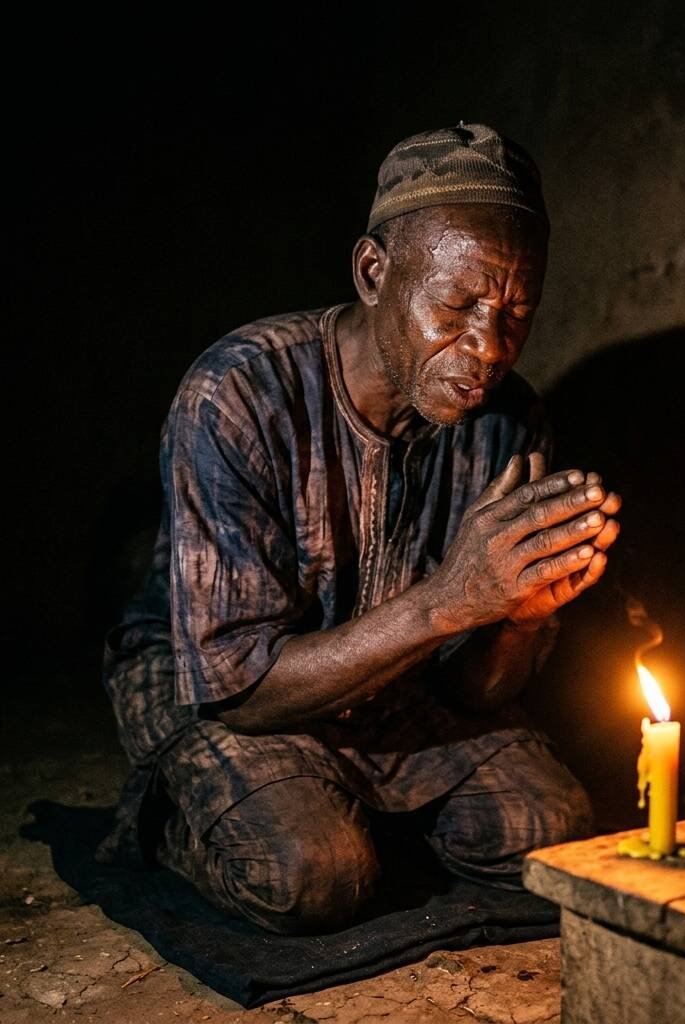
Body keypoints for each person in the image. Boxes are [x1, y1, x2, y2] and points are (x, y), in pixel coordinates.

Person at [100, 123, 622, 935]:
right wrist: (453, 600)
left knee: (546, 832)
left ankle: (342, 805)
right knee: (312, 875)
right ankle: (176, 818)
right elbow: (237, 687)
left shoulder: (509, 421)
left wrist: (520, 616)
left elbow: (473, 692)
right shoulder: (238, 392)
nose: (488, 347)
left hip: (391, 687)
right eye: (456, 305)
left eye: (517, 311)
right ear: (375, 271)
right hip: (214, 686)